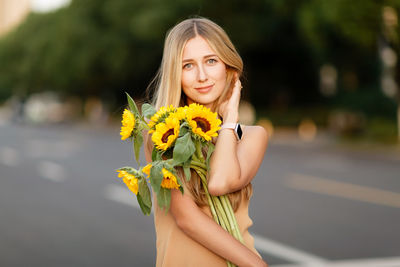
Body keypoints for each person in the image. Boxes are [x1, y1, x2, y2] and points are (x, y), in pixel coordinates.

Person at [144, 17, 269, 267]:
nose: (202, 76)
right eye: (188, 65)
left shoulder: (253, 136)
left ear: (228, 67)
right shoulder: (163, 134)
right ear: (175, 73)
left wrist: (230, 119)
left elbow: (220, 181)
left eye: (211, 61)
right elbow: (188, 220)